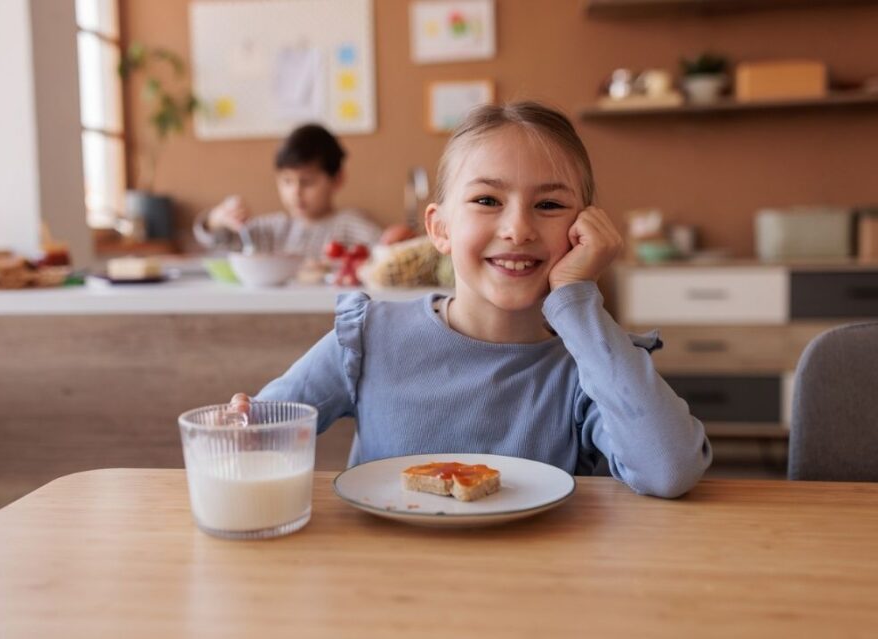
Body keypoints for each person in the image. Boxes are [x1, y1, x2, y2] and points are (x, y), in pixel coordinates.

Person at [229, 102, 712, 498]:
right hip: (382, 595)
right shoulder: (369, 337)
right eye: (487, 200)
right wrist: (242, 426)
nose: (518, 228)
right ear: (440, 228)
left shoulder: (591, 365)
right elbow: (255, 437)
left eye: (549, 205)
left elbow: (668, 470)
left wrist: (577, 297)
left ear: (584, 231)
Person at [194, 123, 382, 259]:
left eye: (307, 182)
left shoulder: (351, 227)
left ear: (337, 179)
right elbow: (220, 240)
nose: (296, 192)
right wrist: (216, 219)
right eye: (287, 181)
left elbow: (385, 252)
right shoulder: (274, 229)